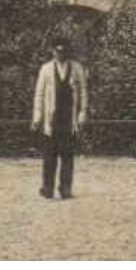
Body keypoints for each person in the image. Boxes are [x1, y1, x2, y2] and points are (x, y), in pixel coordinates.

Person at [30, 37, 87, 200]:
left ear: (67, 51)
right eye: (57, 51)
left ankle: (66, 188)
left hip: (69, 118)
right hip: (51, 119)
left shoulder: (77, 68)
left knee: (67, 155)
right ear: (53, 51)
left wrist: (82, 113)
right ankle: (47, 187)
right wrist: (37, 117)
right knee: (49, 156)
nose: (60, 54)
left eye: (63, 51)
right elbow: (39, 94)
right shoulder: (46, 69)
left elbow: (83, 92)